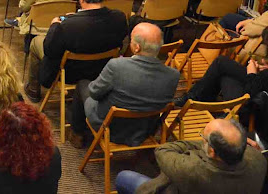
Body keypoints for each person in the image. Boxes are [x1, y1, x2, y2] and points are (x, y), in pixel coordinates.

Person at [69, 23, 179, 148]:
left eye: (131, 40)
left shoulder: (117, 66)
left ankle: (77, 134)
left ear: (137, 47)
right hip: (145, 131)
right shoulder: (173, 76)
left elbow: (95, 93)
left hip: (110, 128)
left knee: (83, 84)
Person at [26, 0, 128, 103]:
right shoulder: (119, 18)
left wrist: (54, 26)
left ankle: (33, 90)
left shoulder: (66, 26)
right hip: (103, 70)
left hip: (71, 73)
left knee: (36, 42)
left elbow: (50, 50)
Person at [116, 119, 267, 194]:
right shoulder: (259, 160)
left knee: (123, 178)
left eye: (203, 138)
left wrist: (204, 143)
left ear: (212, 151)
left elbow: (163, 150)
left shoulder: (192, 170)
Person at [174, 27, 268, 108]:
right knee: (222, 66)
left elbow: (249, 94)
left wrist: (252, 73)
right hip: (260, 85)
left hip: (251, 105)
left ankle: (194, 99)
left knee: (222, 69)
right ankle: (197, 99)